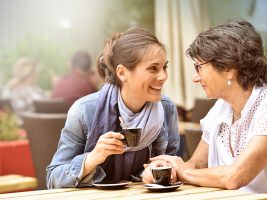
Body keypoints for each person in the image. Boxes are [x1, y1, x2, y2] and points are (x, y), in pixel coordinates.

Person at [144, 19, 267, 199]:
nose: (195, 77)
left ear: (228, 68)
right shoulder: (220, 109)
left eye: (199, 67)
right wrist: (165, 170)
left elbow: (235, 177)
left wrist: (183, 172)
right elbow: (195, 166)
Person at [46, 28, 180, 188]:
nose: (163, 76)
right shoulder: (84, 110)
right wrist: (93, 158)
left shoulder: (167, 108)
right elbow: (53, 179)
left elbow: (172, 168)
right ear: (122, 73)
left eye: (164, 67)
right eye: (153, 68)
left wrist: (159, 171)